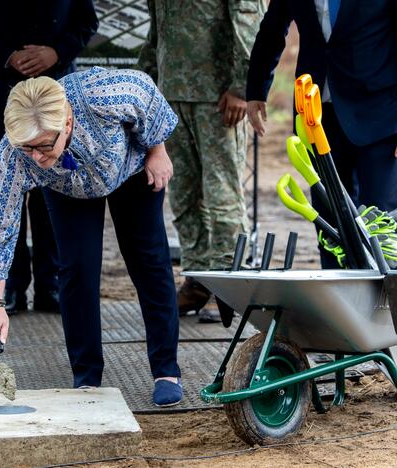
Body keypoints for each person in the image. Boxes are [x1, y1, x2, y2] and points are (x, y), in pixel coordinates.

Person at [0, 68, 183, 407]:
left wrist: (158, 150)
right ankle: (86, 378)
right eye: (28, 147)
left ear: (67, 123)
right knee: (77, 269)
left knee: (149, 260)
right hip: (68, 188)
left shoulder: (100, 95)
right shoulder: (16, 152)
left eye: (43, 145)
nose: (36, 156)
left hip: (128, 169)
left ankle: (166, 370)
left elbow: (143, 92)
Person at [246, 0, 397, 269]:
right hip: (316, 116)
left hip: (380, 113)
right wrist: (256, 89)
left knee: (382, 225)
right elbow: (272, 27)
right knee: (332, 226)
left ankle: (392, 309)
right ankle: (341, 307)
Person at [0, 0, 99, 313]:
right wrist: (9, 55)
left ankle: (50, 284)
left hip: (56, 88)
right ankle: (10, 284)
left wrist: (56, 52)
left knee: (53, 188)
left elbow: (87, 22)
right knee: (7, 189)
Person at [138, 0, 267, 322]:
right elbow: (157, 32)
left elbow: (250, 24)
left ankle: (227, 283)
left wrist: (241, 87)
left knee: (221, 194)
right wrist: (145, 83)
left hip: (218, 96)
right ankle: (197, 278)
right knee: (183, 194)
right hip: (170, 93)